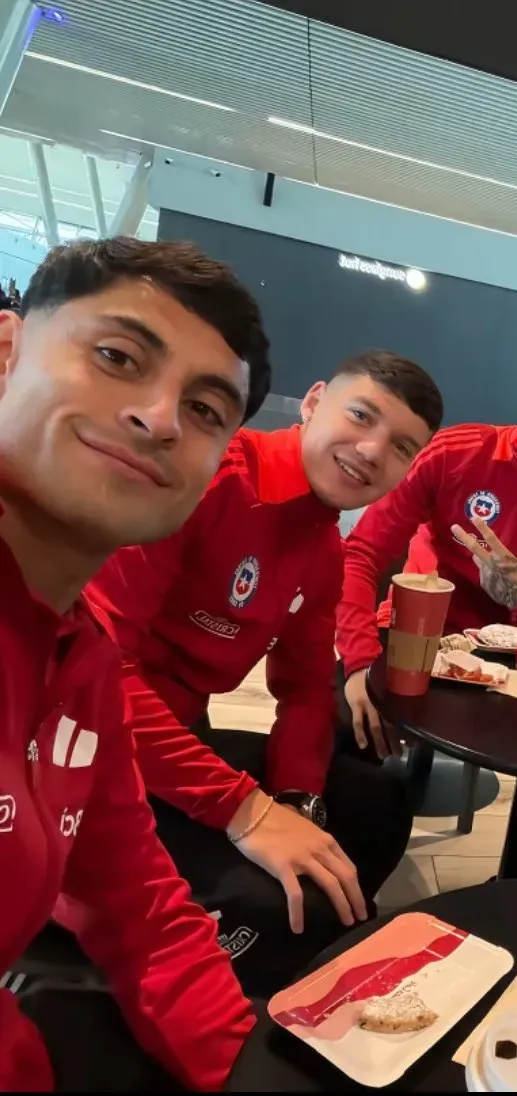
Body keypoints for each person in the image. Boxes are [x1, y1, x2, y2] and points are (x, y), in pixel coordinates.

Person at [0, 237, 271, 1089]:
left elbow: (140, 906)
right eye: (118, 357)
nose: (159, 418)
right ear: (6, 352)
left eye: (204, 411)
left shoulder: (81, 659)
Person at [88, 350, 443, 997]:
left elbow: (306, 690)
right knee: (275, 899)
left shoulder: (321, 546)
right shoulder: (208, 481)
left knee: (377, 800)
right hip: (84, 759)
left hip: (171, 746)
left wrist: (296, 803)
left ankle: (308, 973)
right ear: (312, 403)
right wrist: (244, 809)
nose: (370, 451)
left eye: (400, 448)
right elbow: (94, 679)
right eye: (360, 416)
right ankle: (211, 1004)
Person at [338, 339, 517, 754]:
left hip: (513, 660)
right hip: (412, 635)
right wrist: (359, 661)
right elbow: (361, 553)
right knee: (351, 735)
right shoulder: (454, 452)